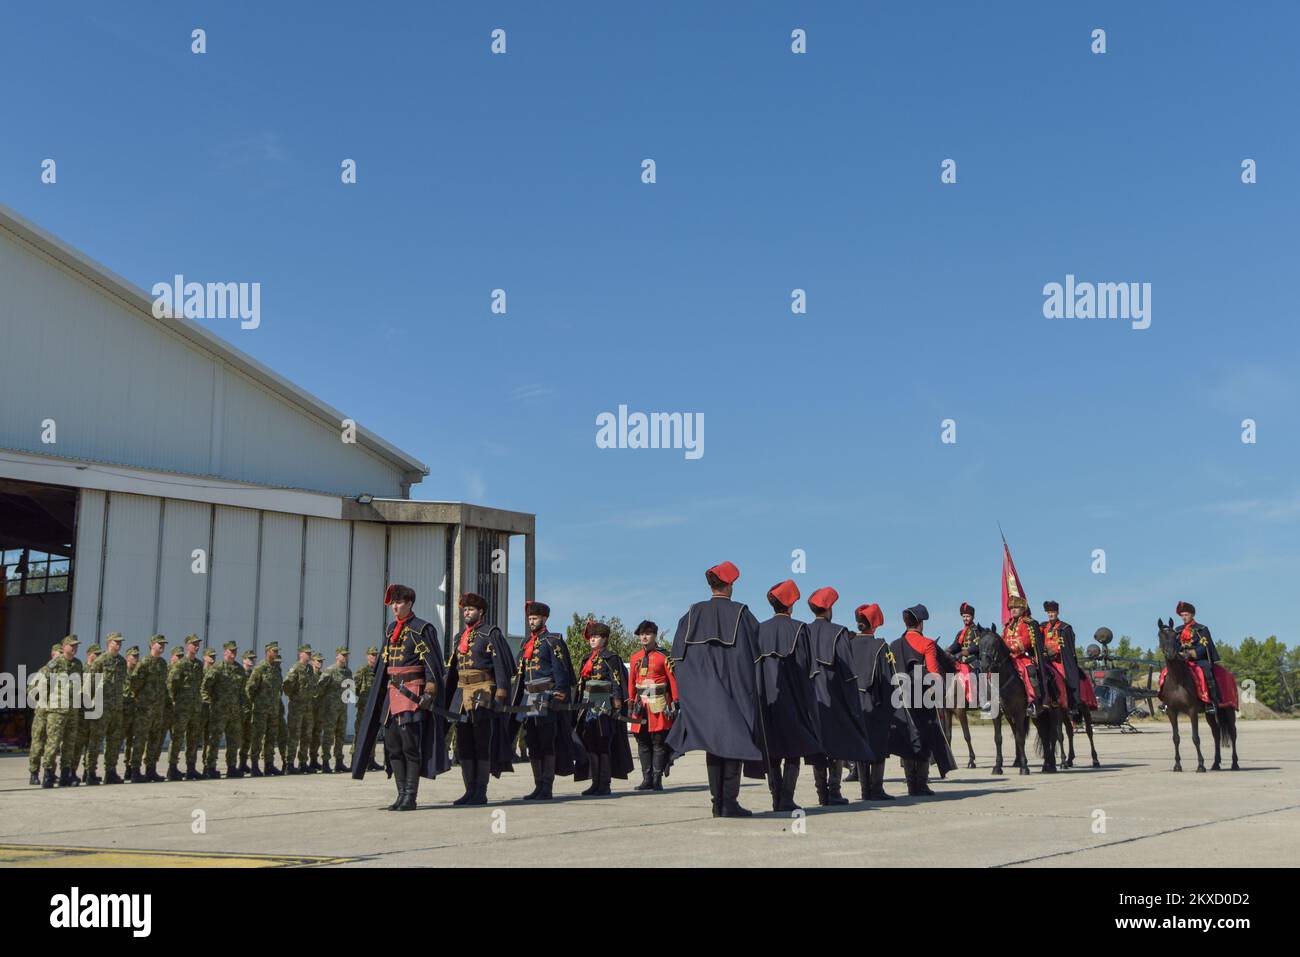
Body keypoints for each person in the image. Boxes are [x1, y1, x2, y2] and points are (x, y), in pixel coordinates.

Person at [666, 561, 763, 818]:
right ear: (730, 585)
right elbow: (756, 654)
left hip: (702, 695)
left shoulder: (690, 614)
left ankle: (717, 803)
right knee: (734, 743)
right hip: (733, 692)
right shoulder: (742, 613)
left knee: (714, 745)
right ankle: (728, 802)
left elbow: (677, 658)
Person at [353, 584, 450, 811]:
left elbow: (431, 664)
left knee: (410, 747)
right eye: (393, 604)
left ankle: (410, 797)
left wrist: (430, 692)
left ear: (409, 604)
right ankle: (400, 795)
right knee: (392, 746)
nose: (395, 607)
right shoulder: (390, 629)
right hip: (391, 694)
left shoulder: (422, 628)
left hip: (411, 694)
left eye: (399, 603)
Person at [748, 579, 824, 811]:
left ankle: (776, 798)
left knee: (772, 751)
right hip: (793, 699)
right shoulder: (800, 629)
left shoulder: (758, 629)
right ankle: (786, 798)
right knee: (794, 749)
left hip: (765, 700)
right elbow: (805, 668)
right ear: (790, 604)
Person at [443, 592, 515, 805]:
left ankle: (480, 791)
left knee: (481, 742)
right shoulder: (459, 637)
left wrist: (501, 691)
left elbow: (501, 664)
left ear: (480, 611)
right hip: (462, 693)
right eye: (465, 609)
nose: (467, 613)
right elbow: (453, 669)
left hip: (483, 691)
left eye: (471, 609)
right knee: (464, 743)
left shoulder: (490, 633)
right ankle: (469, 790)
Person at [805, 586, 873, 806]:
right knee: (836, 746)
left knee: (818, 747)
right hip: (834, 697)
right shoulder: (839, 632)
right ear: (829, 608)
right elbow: (848, 672)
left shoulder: (803, 631)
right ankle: (833, 792)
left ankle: (820, 793)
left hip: (811, 699)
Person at [850, 604, 921, 800]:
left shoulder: (849, 644)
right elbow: (888, 679)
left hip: (855, 704)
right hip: (876, 703)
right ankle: (877, 789)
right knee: (878, 746)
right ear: (875, 624)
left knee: (862, 746)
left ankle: (865, 790)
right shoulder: (881, 646)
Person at [509, 600, 579, 801]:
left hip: (546, 696)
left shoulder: (552, 640)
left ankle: (547, 786)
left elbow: (562, 669)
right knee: (532, 741)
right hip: (529, 697)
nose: (531, 621)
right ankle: (538, 785)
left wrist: (559, 694)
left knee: (547, 742)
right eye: (530, 618)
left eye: (535, 618)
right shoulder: (526, 644)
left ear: (544, 618)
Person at [890, 605, 957, 796]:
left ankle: (911, 785)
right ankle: (921, 784)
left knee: (909, 738)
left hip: (899, 698)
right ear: (920, 624)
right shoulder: (926, 643)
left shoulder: (894, 644)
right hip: (922, 697)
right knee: (926, 738)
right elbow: (935, 674)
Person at [574, 620, 634, 796]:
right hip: (587, 705)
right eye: (591, 637)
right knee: (590, 744)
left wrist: (616, 701)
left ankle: (605, 783)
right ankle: (595, 782)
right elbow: (581, 684)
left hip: (604, 704)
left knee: (603, 744)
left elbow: (616, 681)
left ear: (605, 639)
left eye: (596, 637)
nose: (592, 640)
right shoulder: (587, 659)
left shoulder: (612, 658)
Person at [627, 620, 678, 792]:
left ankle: (657, 779)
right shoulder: (635, 657)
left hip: (658, 703)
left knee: (658, 742)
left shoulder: (664, 656)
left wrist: (675, 703)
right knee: (642, 743)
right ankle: (646, 779)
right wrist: (631, 702)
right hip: (641, 705)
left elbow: (673, 681)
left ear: (655, 635)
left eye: (647, 633)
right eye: (641, 634)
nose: (644, 637)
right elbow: (631, 683)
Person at [1003, 596, 1057, 716]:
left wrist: (1011, 648)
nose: (1013, 610)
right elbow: (1003, 640)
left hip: (1023, 657)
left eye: (1016, 607)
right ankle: (995, 703)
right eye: (1011, 608)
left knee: (1030, 671)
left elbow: (1026, 641)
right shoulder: (1007, 626)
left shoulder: (1027, 623)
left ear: (1022, 609)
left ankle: (1033, 701)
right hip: (1009, 658)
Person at [42, 636, 84, 788]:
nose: (74, 648)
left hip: (72, 710)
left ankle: (65, 774)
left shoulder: (78, 664)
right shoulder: (56, 663)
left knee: (69, 744)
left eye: (76, 646)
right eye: (71, 646)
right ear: (64, 646)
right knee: (53, 743)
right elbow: (42, 681)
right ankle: (48, 774)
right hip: (57, 711)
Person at [88, 632, 129, 785]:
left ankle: (110, 771)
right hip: (101, 707)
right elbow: (90, 684)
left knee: (114, 741)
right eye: (116, 642)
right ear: (109, 642)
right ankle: (90, 772)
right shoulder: (100, 661)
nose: (118, 644)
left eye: (120, 642)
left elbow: (124, 684)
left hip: (116, 708)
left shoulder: (122, 662)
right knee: (95, 741)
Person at [201, 641, 245, 778]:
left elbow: (242, 691)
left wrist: (242, 707)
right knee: (214, 740)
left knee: (233, 741)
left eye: (235, 651)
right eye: (231, 651)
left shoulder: (239, 669)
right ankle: (210, 767)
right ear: (225, 652)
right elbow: (204, 688)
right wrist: (210, 704)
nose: (233, 654)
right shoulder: (217, 668)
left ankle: (232, 767)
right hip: (219, 712)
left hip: (234, 712)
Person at [128, 636, 169, 783]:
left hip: (158, 709)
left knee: (154, 739)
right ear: (152, 645)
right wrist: (142, 699)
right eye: (160, 644)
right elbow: (135, 683)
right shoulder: (144, 663)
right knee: (140, 739)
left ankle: (151, 769)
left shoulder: (163, 664)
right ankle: (135, 771)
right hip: (145, 709)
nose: (162, 646)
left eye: (164, 644)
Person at [167, 635, 205, 781]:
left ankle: (191, 768)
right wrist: (175, 702)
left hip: (195, 708)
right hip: (182, 708)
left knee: (193, 739)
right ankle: (172, 768)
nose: (196, 647)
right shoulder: (180, 664)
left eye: (197, 644)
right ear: (187, 645)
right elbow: (171, 685)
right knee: (177, 738)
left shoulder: (198, 665)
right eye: (194, 644)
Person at [244, 643, 284, 777]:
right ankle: (255, 765)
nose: (276, 653)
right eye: (274, 651)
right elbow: (250, 688)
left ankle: (269, 765)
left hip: (273, 710)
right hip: (261, 710)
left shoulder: (276, 669)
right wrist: (254, 704)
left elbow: (279, 688)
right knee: (257, 737)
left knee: (271, 738)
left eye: (277, 651)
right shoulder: (260, 668)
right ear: (268, 652)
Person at [1175, 601, 1221, 714]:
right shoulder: (1177, 630)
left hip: (1198, 660)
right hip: (1182, 660)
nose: (1184, 617)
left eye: (1186, 615)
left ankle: (1211, 702)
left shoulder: (1201, 629)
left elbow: (1205, 646)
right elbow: (1174, 645)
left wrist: (1190, 654)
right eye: (1182, 615)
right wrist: (1177, 654)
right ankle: (1167, 702)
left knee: (1206, 671)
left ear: (1192, 615)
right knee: (1167, 672)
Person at [27, 642, 62, 785]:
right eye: (58, 654)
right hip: (42, 713)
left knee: (52, 744)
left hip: (55, 713)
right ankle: (34, 773)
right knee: (38, 743)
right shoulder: (44, 670)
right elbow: (31, 690)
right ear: (53, 655)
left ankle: (51, 772)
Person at [282, 644, 316, 774]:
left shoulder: (309, 669)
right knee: (294, 735)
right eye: (306, 653)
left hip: (308, 707)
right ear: (300, 654)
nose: (309, 655)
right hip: (297, 708)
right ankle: (289, 764)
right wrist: (294, 697)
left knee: (306, 735)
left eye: (310, 653)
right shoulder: (295, 668)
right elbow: (286, 685)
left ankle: (303, 763)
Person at [317, 647, 351, 773]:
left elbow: (350, 691)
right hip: (330, 709)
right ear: (337, 656)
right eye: (343, 655)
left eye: (346, 655)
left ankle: (339, 762)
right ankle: (325, 762)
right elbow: (320, 688)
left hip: (342, 708)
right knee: (328, 735)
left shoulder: (348, 672)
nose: (345, 657)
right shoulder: (330, 671)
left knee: (340, 735)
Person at [946, 602, 980, 709]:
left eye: (968, 616)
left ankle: (980, 699)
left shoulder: (977, 631)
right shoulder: (961, 632)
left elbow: (976, 646)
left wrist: (962, 653)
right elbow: (956, 645)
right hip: (961, 660)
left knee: (976, 675)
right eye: (964, 616)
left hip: (974, 659)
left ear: (973, 617)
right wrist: (948, 651)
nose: (965, 618)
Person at [353, 646, 379, 769]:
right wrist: (361, 699)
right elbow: (354, 687)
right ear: (367, 656)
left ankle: (371, 759)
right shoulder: (362, 670)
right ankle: (356, 760)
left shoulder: (378, 670)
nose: (374, 657)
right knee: (360, 734)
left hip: (375, 707)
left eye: (375, 655)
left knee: (373, 734)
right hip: (364, 707)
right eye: (372, 655)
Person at [238, 650, 256, 774]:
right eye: (249, 659)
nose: (251, 661)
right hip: (239, 710)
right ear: (243, 660)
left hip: (251, 709)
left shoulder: (253, 674)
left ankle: (243, 763)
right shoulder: (239, 673)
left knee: (247, 738)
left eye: (253, 659)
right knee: (237, 738)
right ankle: (233, 765)